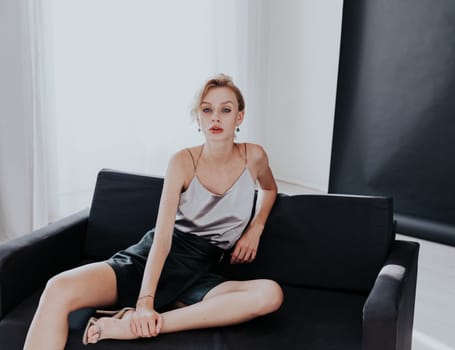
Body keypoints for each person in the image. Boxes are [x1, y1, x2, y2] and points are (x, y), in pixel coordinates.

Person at [23, 74, 283, 349]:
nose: (215, 118)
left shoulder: (254, 156)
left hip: (201, 272)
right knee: (57, 289)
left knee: (270, 294)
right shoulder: (182, 162)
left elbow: (269, 189)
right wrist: (144, 302)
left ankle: (137, 327)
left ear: (239, 117)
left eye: (225, 110)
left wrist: (256, 227)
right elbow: (162, 237)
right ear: (198, 118)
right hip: (149, 261)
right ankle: (145, 315)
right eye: (207, 109)